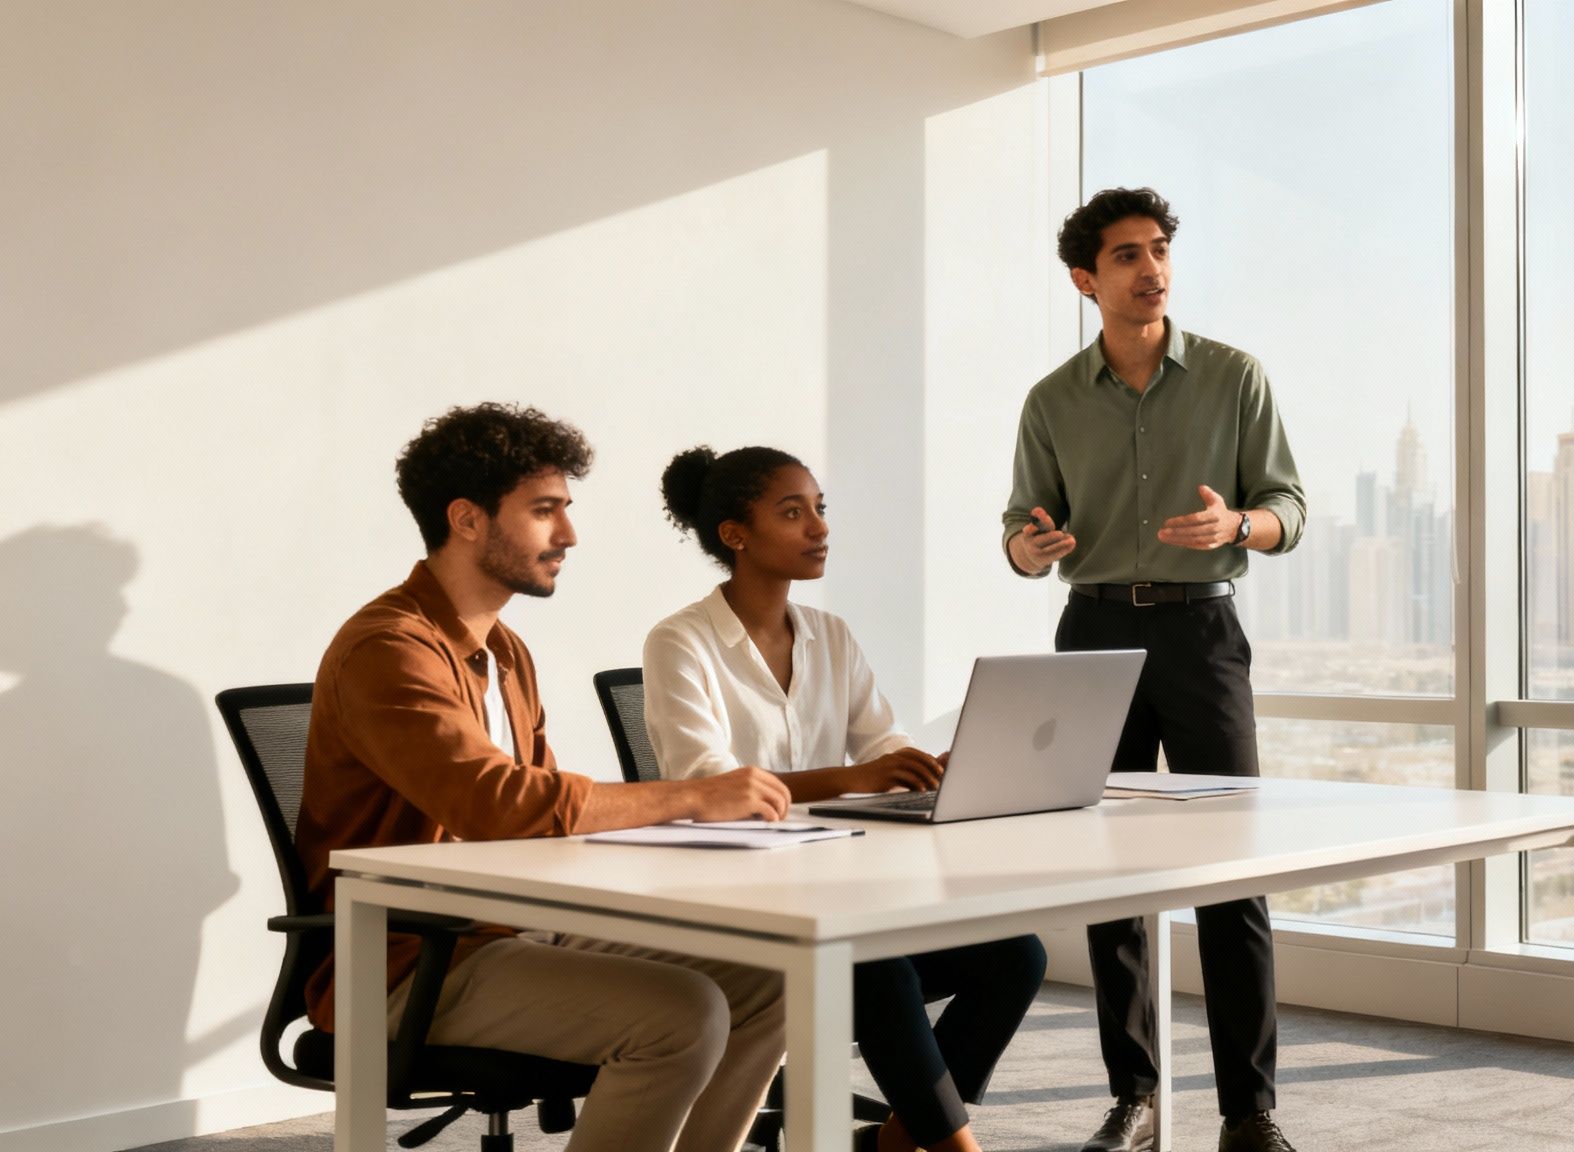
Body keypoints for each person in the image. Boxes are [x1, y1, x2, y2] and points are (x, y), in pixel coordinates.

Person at [297, 403, 796, 1152]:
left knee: (773, 977)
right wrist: (696, 793)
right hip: (410, 960)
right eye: (544, 511)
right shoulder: (388, 649)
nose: (568, 535)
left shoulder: (505, 652)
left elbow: (547, 817)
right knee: (682, 1013)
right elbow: (498, 804)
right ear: (467, 520)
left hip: (512, 929)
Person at [1003, 188, 1308, 1152]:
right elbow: (1020, 527)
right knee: (1110, 877)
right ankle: (1135, 1097)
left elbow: (1287, 507)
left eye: (1161, 250)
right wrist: (1031, 548)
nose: (1153, 269)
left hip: (1201, 634)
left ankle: (1248, 1114)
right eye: (1129, 255)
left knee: (1232, 871)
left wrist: (1238, 526)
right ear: (1086, 280)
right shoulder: (1052, 400)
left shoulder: (1234, 377)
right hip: (1091, 634)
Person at [642, 444, 1048, 1152]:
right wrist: (850, 779)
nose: (819, 527)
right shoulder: (681, 642)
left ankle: (898, 1140)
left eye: (820, 509)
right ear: (736, 534)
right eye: (792, 512)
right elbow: (707, 782)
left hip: (833, 889)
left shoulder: (830, 636)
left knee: (1017, 954)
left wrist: (928, 766)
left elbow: (879, 742)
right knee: (874, 966)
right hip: (739, 912)